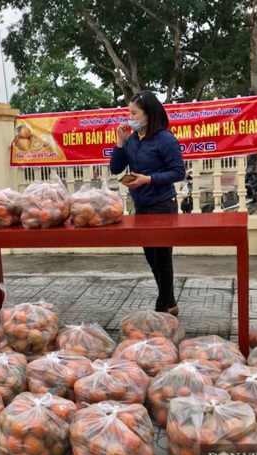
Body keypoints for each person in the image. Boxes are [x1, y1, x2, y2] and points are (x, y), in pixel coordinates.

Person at [109, 90, 186, 316]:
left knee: (162, 258)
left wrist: (149, 179)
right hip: (141, 205)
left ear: (148, 114)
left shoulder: (165, 139)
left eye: (134, 113)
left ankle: (161, 310)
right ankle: (170, 303)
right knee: (152, 259)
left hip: (163, 205)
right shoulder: (132, 140)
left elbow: (178, 172)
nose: (130, 117)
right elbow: (116, 168)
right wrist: (120, 142)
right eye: (129, 113)